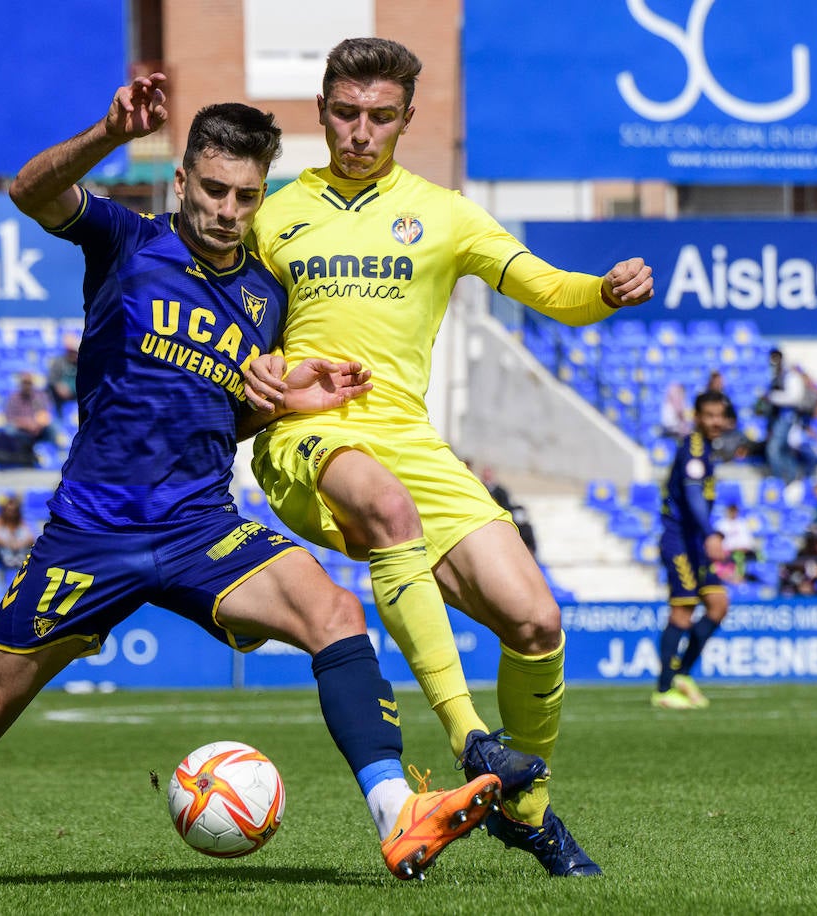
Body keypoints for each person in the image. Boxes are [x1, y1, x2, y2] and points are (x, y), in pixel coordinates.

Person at [0, 78, 510, 890]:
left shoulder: (267, 296)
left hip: (202, 527)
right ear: (182, 182)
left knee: (333, 610)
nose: (229, 209)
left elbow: (225, 418)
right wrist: (106, 132)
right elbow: (30, 190)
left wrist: (278, 402)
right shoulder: (127, 241)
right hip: (92, 533)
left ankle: (394, 814)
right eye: (215, 190)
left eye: (246, 195)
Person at [242, 38, 654, 877]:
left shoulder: (446, 211)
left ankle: (526, 813)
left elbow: (547, 288)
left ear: (405, 120)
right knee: (385, 505)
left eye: (380, 117)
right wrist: (262, 385)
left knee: (536, 621)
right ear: (321, 110)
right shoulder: (273, 216)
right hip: (308, 433)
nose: (360, 131)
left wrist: (602, 293)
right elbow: (231, 334)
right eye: (347, 113)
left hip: (409, 439)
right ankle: (472, 741)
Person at [652, 391, 733, 710]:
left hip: (695, 542)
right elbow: (694, 496)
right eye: (709, 415)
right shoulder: (695, 449)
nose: (715, 421)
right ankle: (663, 689)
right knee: (683, 610)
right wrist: (710, 532)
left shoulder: (708, 449)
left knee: (717, 605)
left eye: (720, 415)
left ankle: (682, 673)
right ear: (697, 416)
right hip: (680, 540)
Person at [760, 349, 808, 483]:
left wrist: (771, 397)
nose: (773, 363)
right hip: (777, 419)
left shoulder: (790, 376)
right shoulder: (775, 376)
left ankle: (782, 480)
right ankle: (793, 476)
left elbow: (794, 398)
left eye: (776, 359)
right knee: (783, 450)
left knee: (773, 449)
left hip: (786, 418)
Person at [0, 494, 35, 569]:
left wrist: (20, 544)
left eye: (14, 511)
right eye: (9, 510)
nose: (11, 514)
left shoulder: (23, 522)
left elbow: (31, 538)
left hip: (20, 551)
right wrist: (8, 544)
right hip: (3, 553)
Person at [46, 332, 81, 408]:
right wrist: (58, 386)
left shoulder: (82, 363)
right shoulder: (59, 362)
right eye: (71, 352)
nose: (73, 355)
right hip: (60, 399)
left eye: (75, 352)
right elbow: (51, 379)